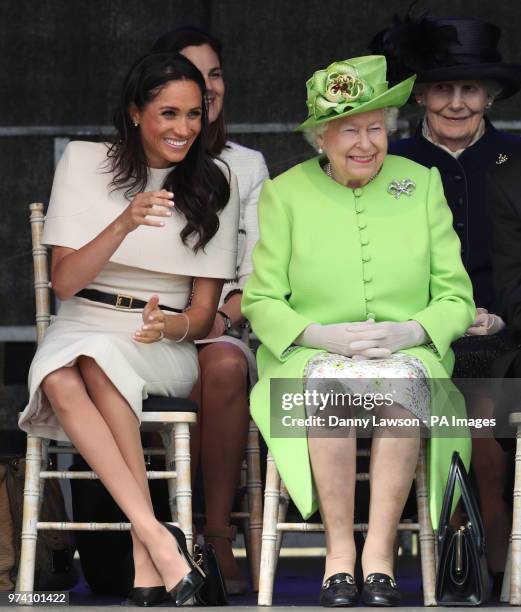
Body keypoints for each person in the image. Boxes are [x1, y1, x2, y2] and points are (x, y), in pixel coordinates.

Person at [242, 55, 475, 607]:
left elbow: (456, 296)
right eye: (350, 129)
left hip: (407, 353)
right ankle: (340, 553)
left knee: (401, 388)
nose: (366, 142)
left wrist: (411, 331)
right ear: (321, 137)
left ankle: (379, 557)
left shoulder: (421, 184)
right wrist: (320, 336)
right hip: (310, 357)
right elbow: (261, 299)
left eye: (376, 128)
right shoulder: (284, 193)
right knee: (329, 390)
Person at [18, 52, 239, 607]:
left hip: (158, 342)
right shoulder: (84, 161)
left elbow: (206, 316)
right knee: (66, 373)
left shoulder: (214, 182)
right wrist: (124, 221)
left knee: (89, 364)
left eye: (195, 114)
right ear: (136, 112)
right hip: (83, 322)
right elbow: (65, 283)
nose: (184, 129)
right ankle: (157, 541)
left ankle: (152, 547)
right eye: (169, 113)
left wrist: (172, 324)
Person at [371, 12, 521, 587]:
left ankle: (481, 525)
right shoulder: (389, 160)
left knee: (488, 371)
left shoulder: (518, 157)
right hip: (417, 323)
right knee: (466, 384)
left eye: (470, 89)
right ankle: (476, 530)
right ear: (420, 95)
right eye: (442, 88)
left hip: (508, 321)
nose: (456, 103)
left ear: (491, 94)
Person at [151, 26, 269, 593]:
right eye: (195, 75)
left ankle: (216, 533)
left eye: (215, 74)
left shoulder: (247, 166)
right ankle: (166, 531)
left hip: (223, 324)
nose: (209, 87)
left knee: (219, 362)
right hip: (143, 326)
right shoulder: (135, 159)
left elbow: (261, 273)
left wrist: (218, 320)